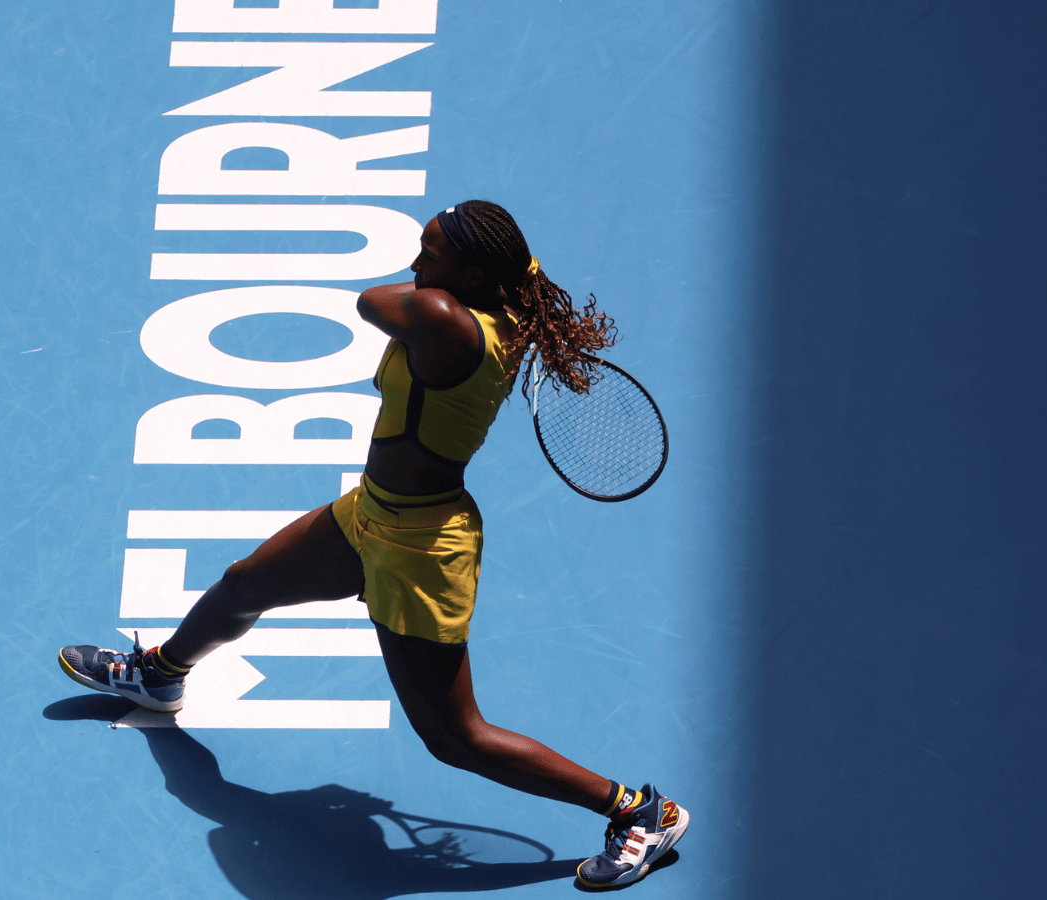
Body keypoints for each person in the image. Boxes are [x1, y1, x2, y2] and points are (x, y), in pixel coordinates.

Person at [59, 200, 688, 890]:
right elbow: (484, 270)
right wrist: (453, 266)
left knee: (455, 737)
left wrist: (430, 285)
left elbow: (368, 302)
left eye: (431, 255)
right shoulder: (499, 292)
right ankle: (160, 673)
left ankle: (638, 810)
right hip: (373, 515)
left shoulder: (442, 320)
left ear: (472, 275)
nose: (417, 265)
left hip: (421, 552)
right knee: (245, 585)